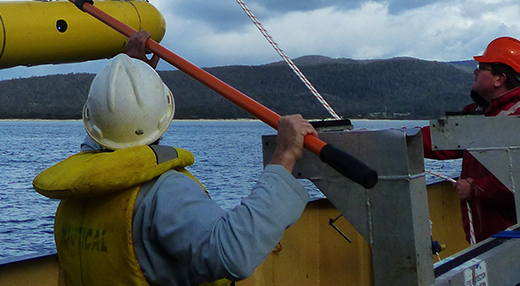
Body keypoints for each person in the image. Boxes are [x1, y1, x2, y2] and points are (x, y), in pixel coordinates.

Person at [33, 42, 315, 286]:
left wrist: (135, 76)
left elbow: (111, 130)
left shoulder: (83, 183)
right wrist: (285, 156)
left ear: (92, 121)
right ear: (165, 113)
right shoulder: (164, 192)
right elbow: (232, 255)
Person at [421, 36, 520, 244]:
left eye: (481, 67)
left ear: (499, 79)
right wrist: (399, 141)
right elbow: (442, 142)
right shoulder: (483, 114)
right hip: (494, 239)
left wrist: (476, 188)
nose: (475, 71)